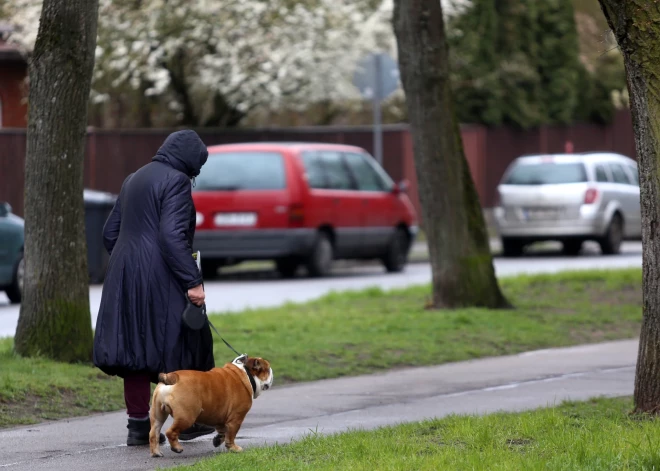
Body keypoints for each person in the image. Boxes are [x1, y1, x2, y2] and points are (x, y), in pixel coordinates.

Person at [93, 130, 216, 446]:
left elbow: (110, 234)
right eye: (196, 169)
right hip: (161, 274)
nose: (195, 175)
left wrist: (131, 260)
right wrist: (193, 281)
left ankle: (138, 427)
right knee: (181, 344)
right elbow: (172, 237)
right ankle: (188, 422)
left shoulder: (133, 178)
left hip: (124, 274)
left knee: (133, 349)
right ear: (190, 162)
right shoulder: (176, 181)